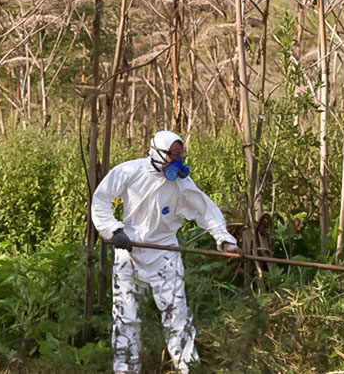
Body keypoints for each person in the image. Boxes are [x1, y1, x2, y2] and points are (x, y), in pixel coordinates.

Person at [91, 130, 240, 374]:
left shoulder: (181, 183)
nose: (178, 161)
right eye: (173, 156)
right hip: (129, 252)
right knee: (126, 317)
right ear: (158, 153)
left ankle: (187, 368)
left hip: (165, 253)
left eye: (180, 155)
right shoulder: (128, 171)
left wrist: (223, 238)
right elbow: (101, 199)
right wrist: (113, 231)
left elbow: (205, 210)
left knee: (177, 317)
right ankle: (126, 370)